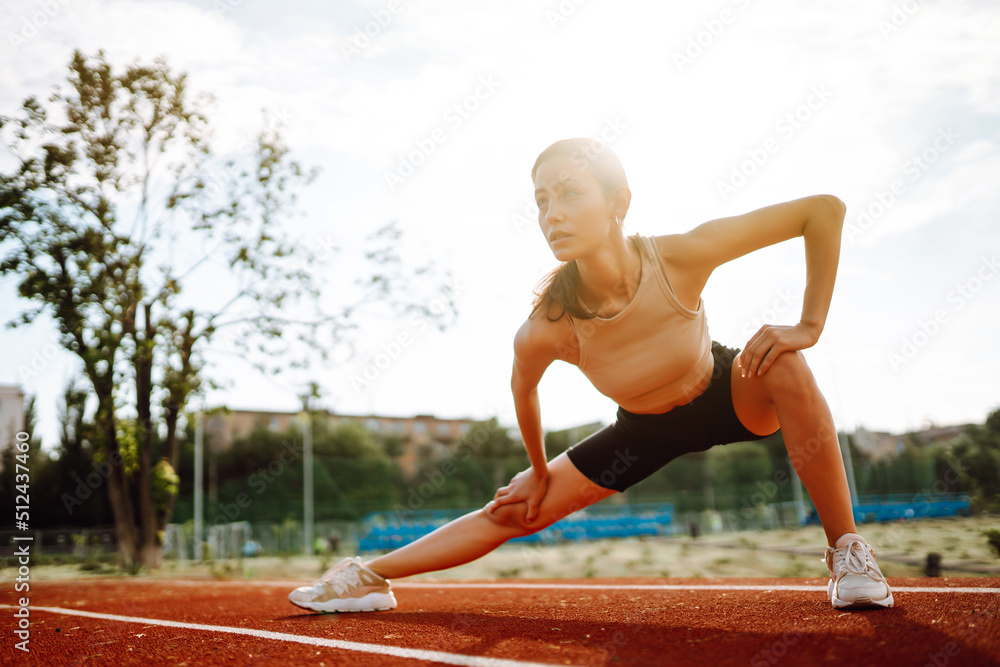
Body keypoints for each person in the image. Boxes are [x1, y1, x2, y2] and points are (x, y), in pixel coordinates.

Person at [288, 138, 893, 614]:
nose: (552, 213)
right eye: (541, 201)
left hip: (724, 393)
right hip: (641, 431)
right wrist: (536, 467)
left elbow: (822, 212)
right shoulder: (548, 325)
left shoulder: (680, 256)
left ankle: (848, 555)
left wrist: (809, 324)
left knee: (784, 359)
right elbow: (522, 390)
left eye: (569, 192)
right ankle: (368, 576)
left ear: (618, 203)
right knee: (512, 511)